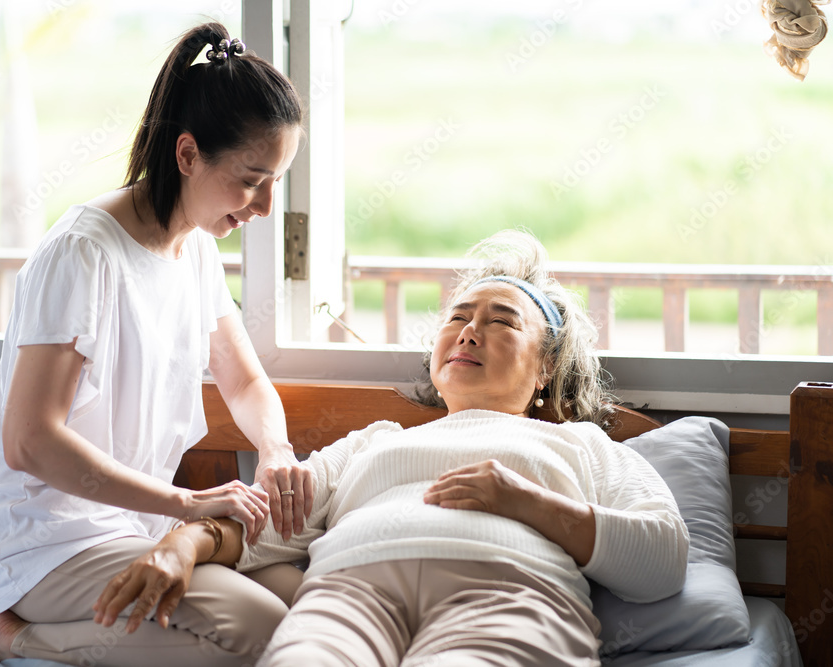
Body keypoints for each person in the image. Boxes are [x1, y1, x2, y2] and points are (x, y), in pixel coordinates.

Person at [89, 229, 691, 666]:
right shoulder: (375, 442)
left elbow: (661, 560)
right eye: (458, 317)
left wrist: (526, 501)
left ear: (547, 368)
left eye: (502, 321)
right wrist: (182, 543)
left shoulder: (582, 446)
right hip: (349, 595)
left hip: (507, 596)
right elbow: (268, 522)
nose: (469, 331)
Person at [0, 22, 312, 667]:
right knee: (263, 633)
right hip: (43, 541)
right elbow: (29, 440)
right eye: (250, 180)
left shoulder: (195, 250)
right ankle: (13, 637)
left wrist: (276, 450)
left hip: (129, 527)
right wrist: (187, 504)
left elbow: (242, 380)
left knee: (302, 597)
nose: (263, 206)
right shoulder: (84, 255)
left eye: (275, 182)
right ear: (186, 155)